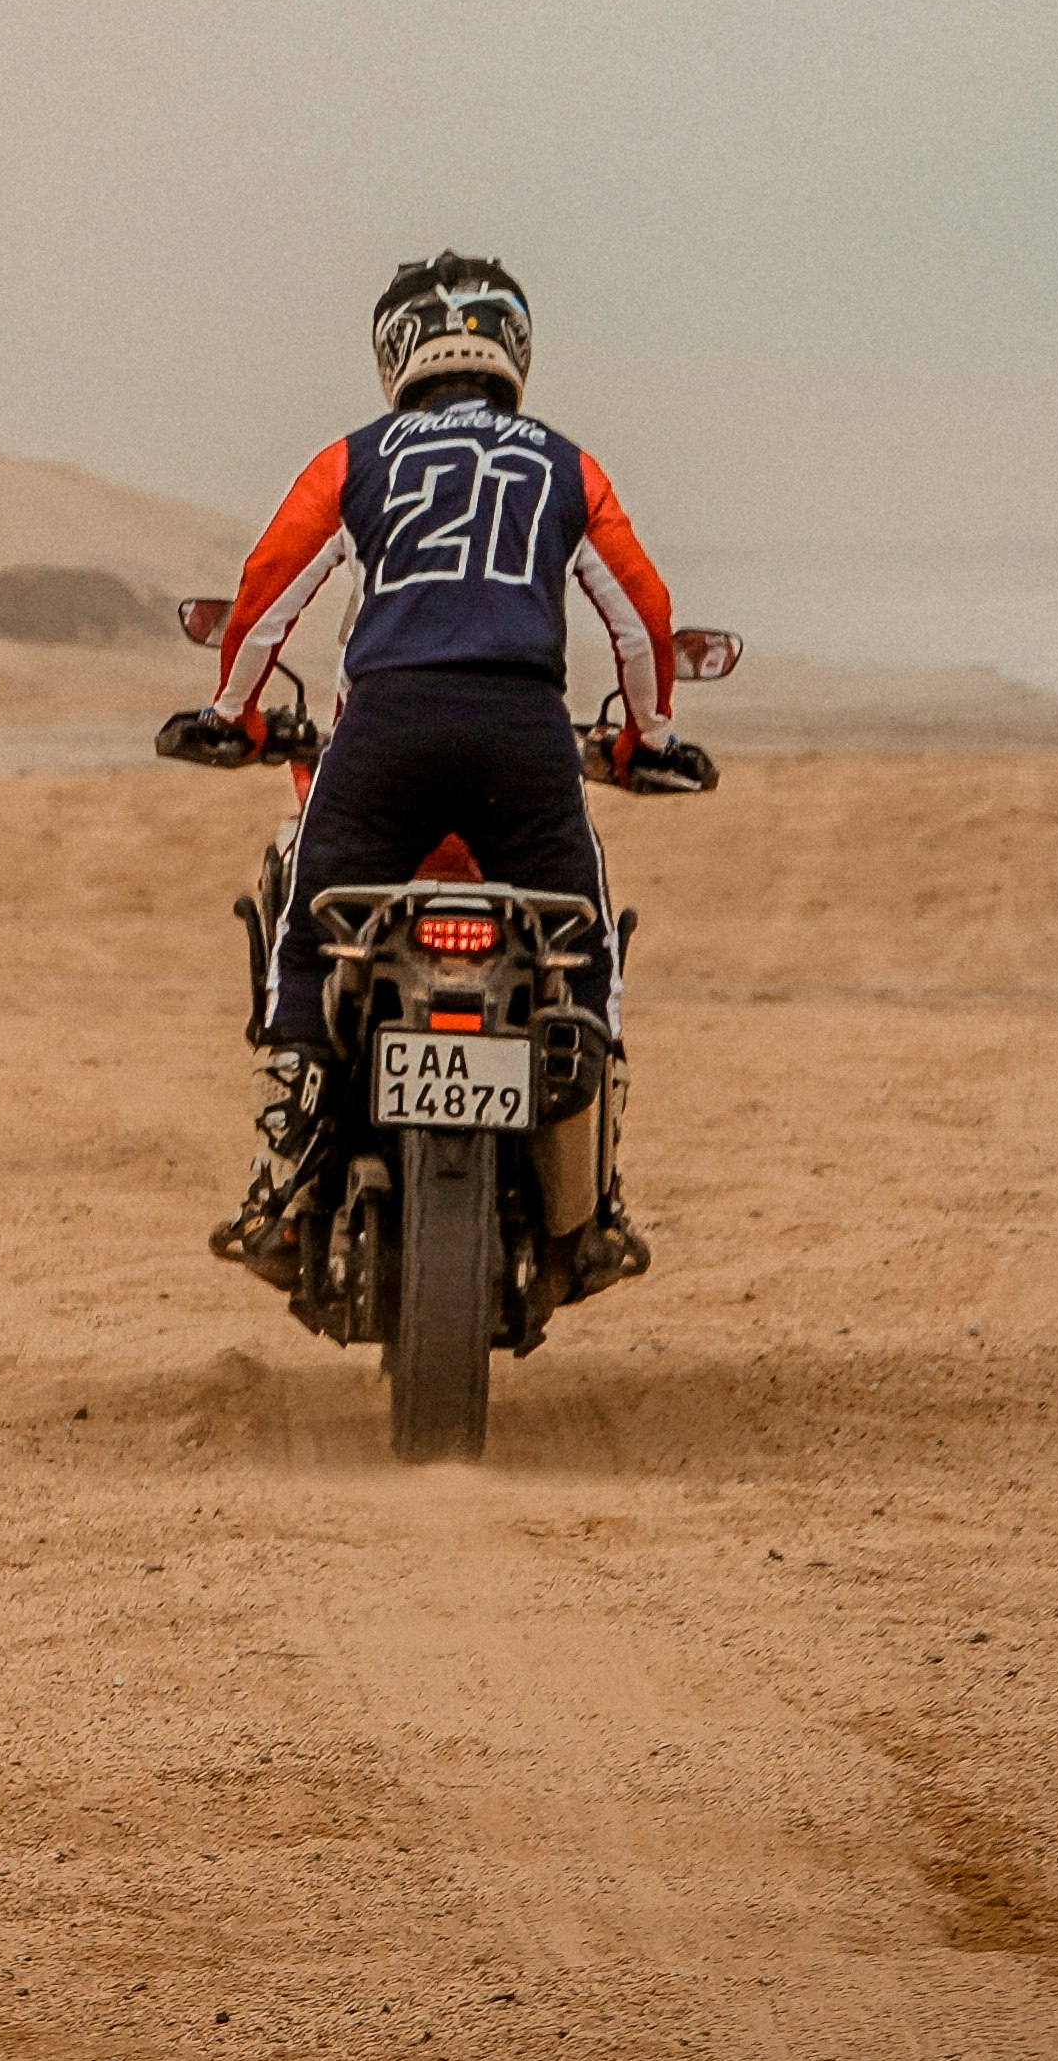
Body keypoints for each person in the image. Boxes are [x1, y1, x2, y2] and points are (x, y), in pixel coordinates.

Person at [163, 251, 708, 1294]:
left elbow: (270, 588)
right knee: (582, 943)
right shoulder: (565, 466)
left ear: (395, 350)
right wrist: (646, 734)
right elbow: (642, 613)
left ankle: (284, 1149)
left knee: (308, 931)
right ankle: (589, 1172)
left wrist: (228, 713)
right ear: (514, 347)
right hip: (523, 729)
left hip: (387, 727)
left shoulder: (357, 459)